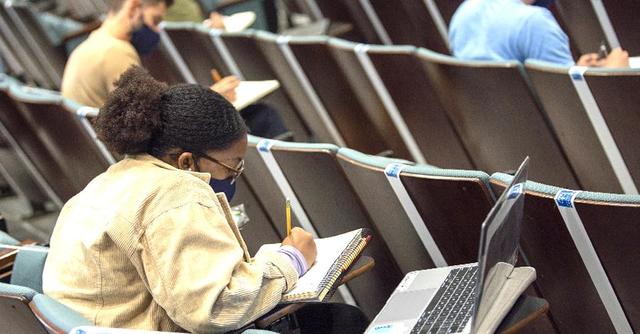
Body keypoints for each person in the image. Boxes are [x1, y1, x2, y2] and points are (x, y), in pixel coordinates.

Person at [43, 66, 367, 333]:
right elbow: (214, 310)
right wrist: (292, 259)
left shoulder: (112, 179)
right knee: (342, 321)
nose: (234, 176)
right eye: (233, 166)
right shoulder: (174, 192)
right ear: (186, 161)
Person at [449, 0, 629, 68]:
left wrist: (576, 71)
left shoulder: (465, 11)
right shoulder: (535, 22)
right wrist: (613, 76)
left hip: (495, 138)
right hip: (545, 140)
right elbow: (574, 109)